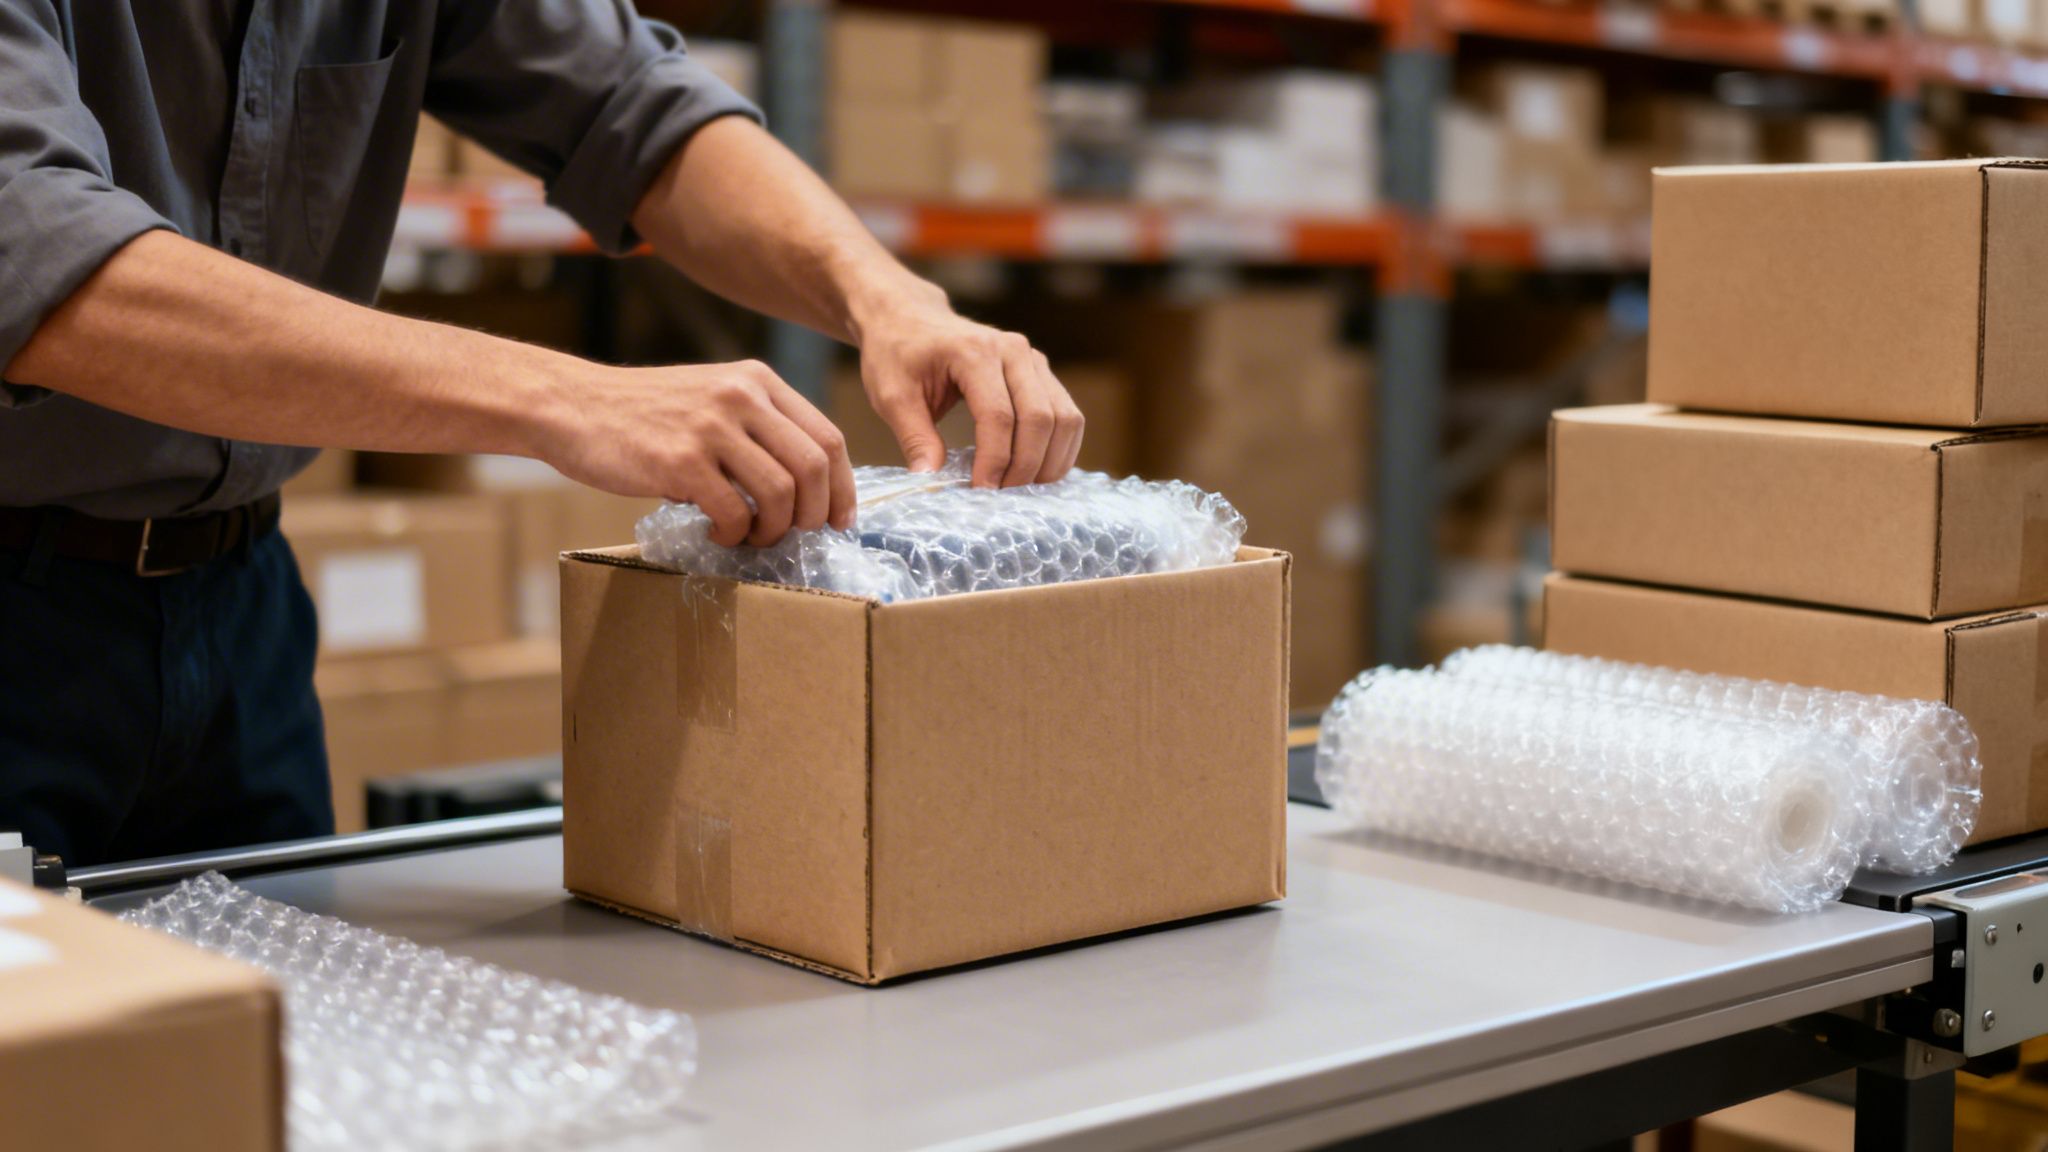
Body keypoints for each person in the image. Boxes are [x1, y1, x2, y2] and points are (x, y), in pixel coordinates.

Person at [0, 1, 1084, 866]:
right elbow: (36, 247)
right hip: (18, 617)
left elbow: (630, 103)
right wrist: (569, 399)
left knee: (268, 1048)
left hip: (240, 610)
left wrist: (884, 297)